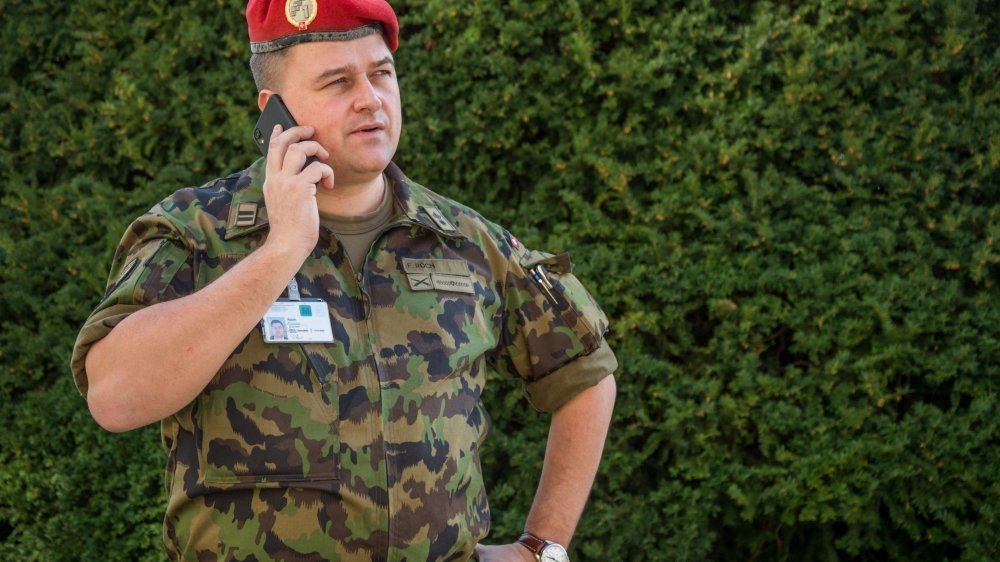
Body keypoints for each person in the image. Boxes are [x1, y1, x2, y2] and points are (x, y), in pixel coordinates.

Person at [70, 1, 617, 560]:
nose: (370, 98)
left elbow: (585, 372)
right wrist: (281, 249)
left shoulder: (466, 241)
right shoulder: (196, 234)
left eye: (381, 73)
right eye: (337, 81)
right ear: (273, 110)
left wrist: (541, 545)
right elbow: (115, 399)